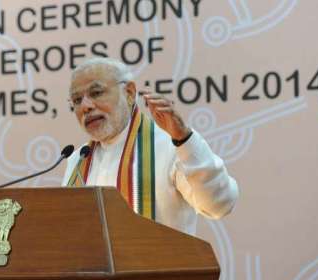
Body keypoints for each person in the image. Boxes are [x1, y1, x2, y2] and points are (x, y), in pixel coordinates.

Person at [61, 57, 238, 236]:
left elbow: (219, 205)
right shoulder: (79, 160)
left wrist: (184, 139)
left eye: (97, 93)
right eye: (76, 100)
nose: (85, 106)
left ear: (129, 93)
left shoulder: (171, 145)